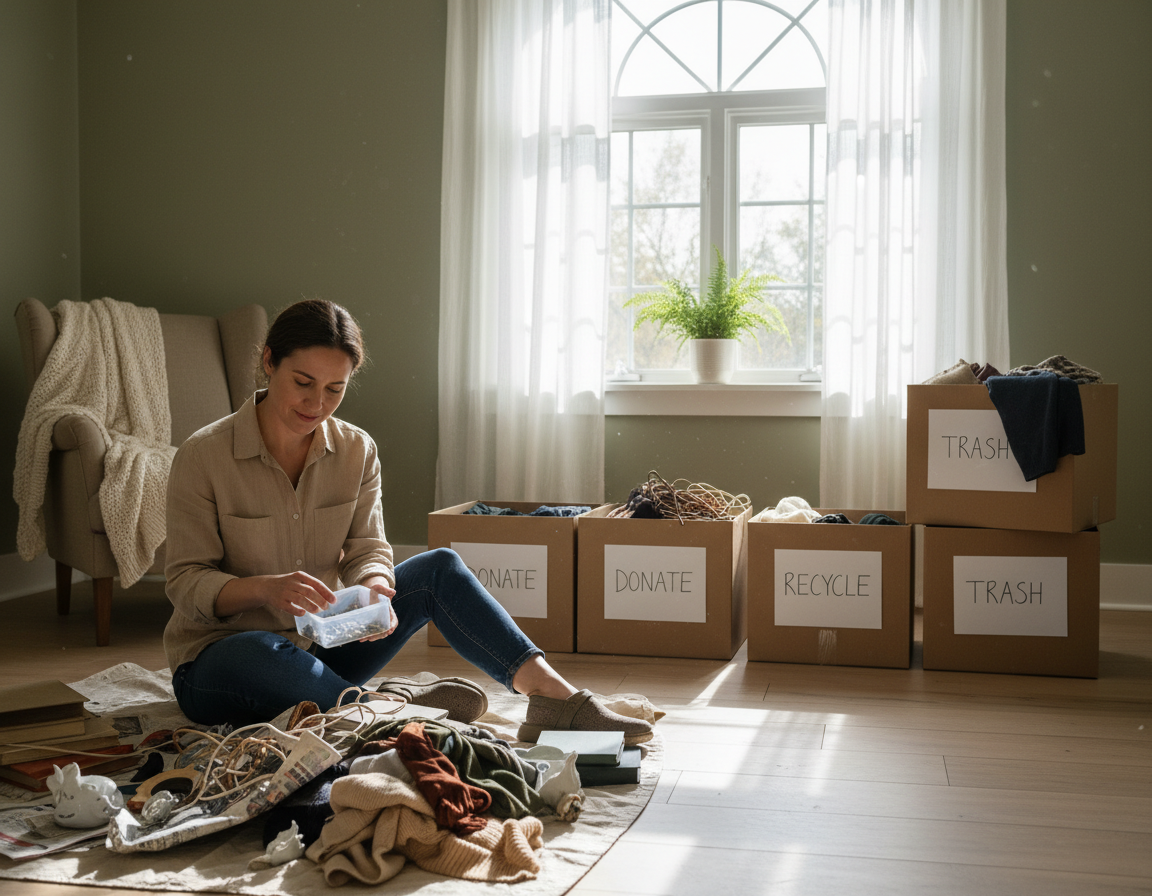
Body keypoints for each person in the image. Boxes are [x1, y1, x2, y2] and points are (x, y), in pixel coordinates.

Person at [162, 298, 651, 745]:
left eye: (335, 389)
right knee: (258, 650)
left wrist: (375, 584)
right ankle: (386, 713)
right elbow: (186, 582)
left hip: (319, 649)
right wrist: (264, 590)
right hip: (222, 663)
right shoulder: (203, 455)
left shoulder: (355, 449)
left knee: (439, 566)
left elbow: (368, 547)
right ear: (269, 362)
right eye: (303, 383)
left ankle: (554, 700)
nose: (316, 405)